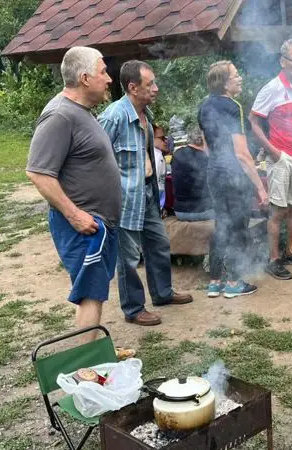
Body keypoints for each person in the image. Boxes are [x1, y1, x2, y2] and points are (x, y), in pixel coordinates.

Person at [25, 47, 120, 343]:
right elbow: (38, 173)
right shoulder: (59, 116)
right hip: (83, 226)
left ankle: (89, 363)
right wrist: (75, 214)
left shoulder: (81, 112)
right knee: (90, 295)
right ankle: (85, 369)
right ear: (84, 78)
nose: (108, 79)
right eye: (103, 71)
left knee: (95, 293)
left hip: (98, 224)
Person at [98, 60, 193, 327]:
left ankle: (162, 293)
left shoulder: (145, 115)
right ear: (132, 87)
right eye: (149, 84)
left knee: (159, 243)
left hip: (148, 192)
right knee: (128, 256)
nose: (156, 88)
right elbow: (94, 157)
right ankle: (134, 308)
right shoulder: (114, 116)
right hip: (124, 198)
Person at [199, 60, 269, 298]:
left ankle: (215, 282)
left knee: (222, 225)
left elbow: (207, 147)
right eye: (235, 76)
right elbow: (241, 153)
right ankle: (234, 283)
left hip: (215, 173)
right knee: (238, 227)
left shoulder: (204, 106)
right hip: (233, 176)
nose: (240, 79)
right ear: (224, 84)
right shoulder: (233, 106)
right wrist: (260, 187)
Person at [249, 38, 292, 281]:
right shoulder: (273, 88)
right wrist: (274, 152)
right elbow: (254, 121)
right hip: (281, 157)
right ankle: (274, 259)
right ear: (282, 61)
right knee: (278, 210)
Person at [171, 123, 214, 222]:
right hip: (203, 211)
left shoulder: (177, 154)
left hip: (180, 212)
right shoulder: (207, 159)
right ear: (204, 138)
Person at [153, 124, 169, 210]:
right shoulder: (156, 156)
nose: (165, 141)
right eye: (162, 138)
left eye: (165, 138)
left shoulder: (158, 154)